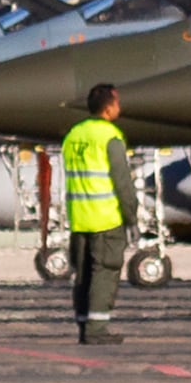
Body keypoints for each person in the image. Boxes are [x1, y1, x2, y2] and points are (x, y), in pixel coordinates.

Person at [57, 83, 136, 345]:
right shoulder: (109, 136)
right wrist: (131, 216)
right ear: (109, 106)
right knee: (105, 271)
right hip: (105, 218)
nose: (119, 107)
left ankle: (83, 323)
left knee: (84, 274)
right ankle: (97, 329)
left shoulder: (73, 135)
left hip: (79, 218)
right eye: (117, 102)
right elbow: (121, 181)